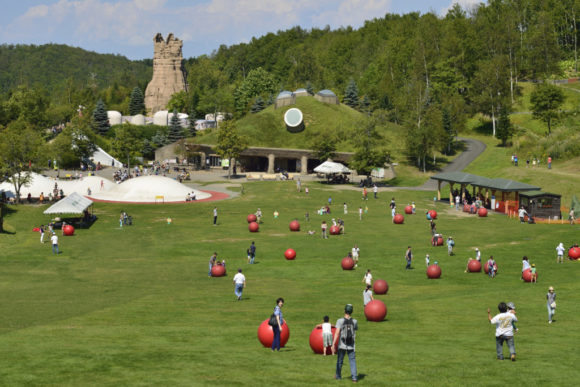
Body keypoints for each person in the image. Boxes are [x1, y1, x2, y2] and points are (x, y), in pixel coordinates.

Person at [333, 304, 358, 382]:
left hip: (342, 345)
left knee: (340, 361)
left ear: (344, 311)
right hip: (351, 345)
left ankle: (338, 376)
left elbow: (337, 333)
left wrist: (333, 343)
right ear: (352, 312)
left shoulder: (340, 321)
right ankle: (354, 378)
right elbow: (355, 330)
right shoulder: (355, 321)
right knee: (352, 361)